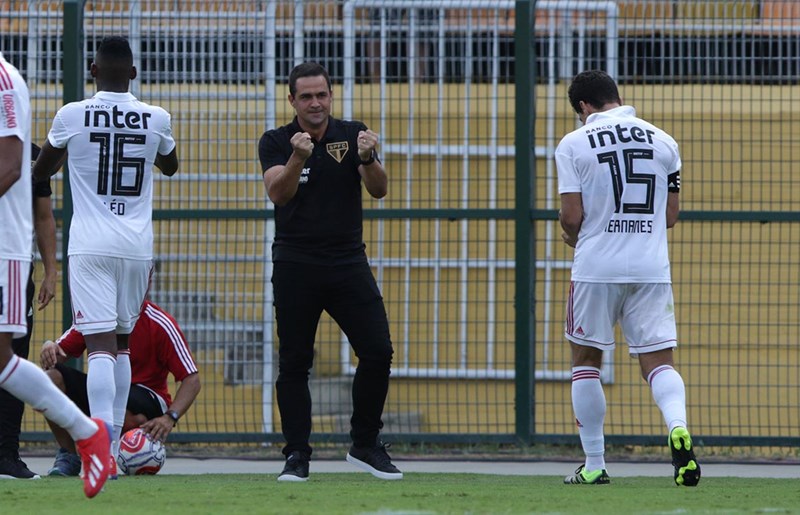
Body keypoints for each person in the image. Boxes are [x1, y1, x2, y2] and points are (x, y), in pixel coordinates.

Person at [32, 36, 179, 461]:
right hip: (135, 247)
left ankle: (98, 452)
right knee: (121, 345)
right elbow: (170, 166)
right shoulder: (156, 118)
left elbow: (43, 171)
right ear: (134, 73)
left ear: (92, 71)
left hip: (90, 244)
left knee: (98, 346)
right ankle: (113, 450)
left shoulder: (72, 115)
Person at [555, 70, 700, 487]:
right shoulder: (664, 141)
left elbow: (571, 216)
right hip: (651, 269)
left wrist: (569, 234)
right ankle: (676, 426)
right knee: (659, 363)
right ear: (615, 97)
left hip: (596, 269)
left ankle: (596, 463)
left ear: (583, 107)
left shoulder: (573, 143)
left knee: (586, 363)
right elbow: (670, 216)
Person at [258, 62, 401, 482]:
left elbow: (379, 188)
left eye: (322, 95)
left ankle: (364, 444)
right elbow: (278, 195)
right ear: (292, 101)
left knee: (377, 351)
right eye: (306, 96)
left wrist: (369, 157)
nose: (315, 103)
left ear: (331, 96)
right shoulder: (276, 141)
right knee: (295, 362)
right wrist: (296, 158)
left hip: (348, 263)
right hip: (296, 263)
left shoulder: (352, 133)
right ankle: (297, 455)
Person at [0, 48, 111, 497]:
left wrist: (49, 268)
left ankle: (85, 433)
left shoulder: (4, 82)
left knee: (4, 359)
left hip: (4, 251)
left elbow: (11, 165)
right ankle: (88, 433)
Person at [39, 299, 201, 477]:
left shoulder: (160, 323)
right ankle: (69, 456)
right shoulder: (95, 316)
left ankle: (110, 453)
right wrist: (49, 347)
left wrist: (169, 418)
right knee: (48, 380)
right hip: (105, 391)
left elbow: (192, 379)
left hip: (146, 396)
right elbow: (58, 353)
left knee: (130, 417)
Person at [0, 143, 58, 480]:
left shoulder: (34, 155)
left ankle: (6, 454)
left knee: (12, 367)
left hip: (15, 274)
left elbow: (43, 215)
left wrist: (51, 271)